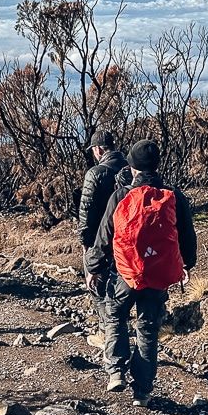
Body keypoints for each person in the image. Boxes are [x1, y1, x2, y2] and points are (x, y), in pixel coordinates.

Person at [84, 139, 197, 407]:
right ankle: (142, 392)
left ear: (132, 167)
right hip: (158, 275)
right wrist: (185, 265)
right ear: (157, 166)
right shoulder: (174, 196)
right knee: (148, 329)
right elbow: (187, 237)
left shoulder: (121, 195)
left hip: (126, 273)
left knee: (114, 314)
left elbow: (104, 237)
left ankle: (116, 372)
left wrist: (93, 268)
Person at [77, 130, 128, 323]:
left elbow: (86, 211)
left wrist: (85, 242)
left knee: (96, 285)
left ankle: (106, 330)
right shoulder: (131, 170)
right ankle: (119, 324)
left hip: (101, 237)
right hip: (127, 237)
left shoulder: (95, 173)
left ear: (98, 150)